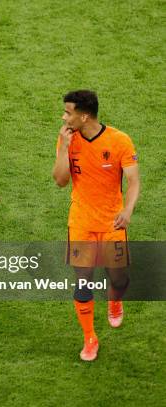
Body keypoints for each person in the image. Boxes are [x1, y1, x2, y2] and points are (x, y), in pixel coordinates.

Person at [52, 90, 140, 361]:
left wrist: (127, 210)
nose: (64, 117)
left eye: (68, 112)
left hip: (112, 222)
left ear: (84, 115)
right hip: (81, 222)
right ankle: (90, 338)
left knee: (119, 279)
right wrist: (65, 148)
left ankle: (115, 300)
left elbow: (133, 181)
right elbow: (60, 180)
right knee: (83, 283)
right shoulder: (67, 137)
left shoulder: (119, 141)